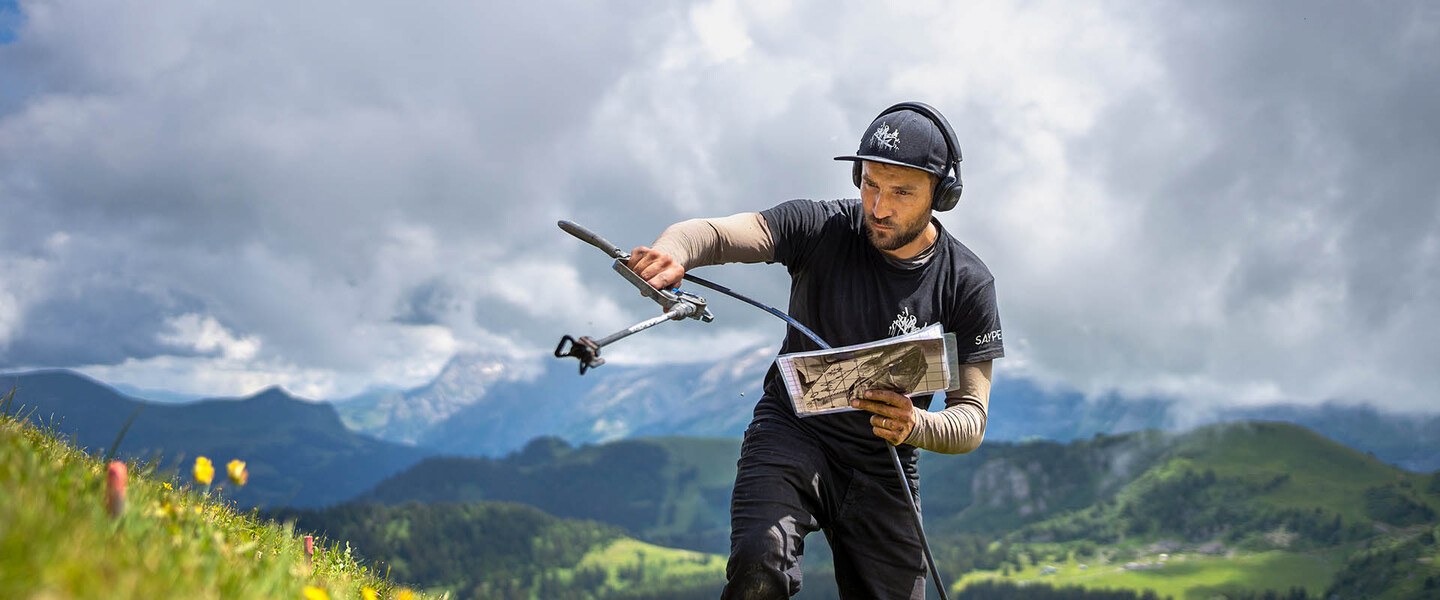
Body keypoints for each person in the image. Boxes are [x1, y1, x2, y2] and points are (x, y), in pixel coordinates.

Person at [626, 102, 1004, 600]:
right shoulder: (822, 226)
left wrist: (917, 426)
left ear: (943, 194)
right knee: (758, 566)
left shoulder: (967, 284)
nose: (879, 207)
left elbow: (970, 422)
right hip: (792, 433)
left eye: (902, 192)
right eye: (870, 183)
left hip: (885, 462)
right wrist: (673, 250)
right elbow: (716, 234)